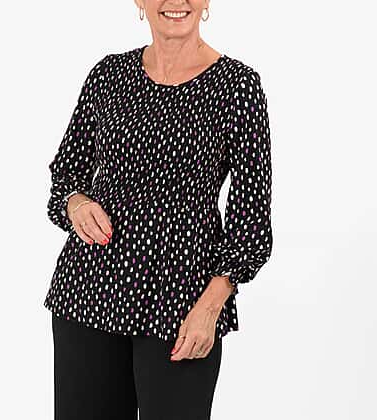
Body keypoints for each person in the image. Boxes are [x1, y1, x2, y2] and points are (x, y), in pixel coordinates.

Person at [44, 1, 273, 419]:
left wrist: (210, 308)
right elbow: (66, 175)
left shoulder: (237, 86)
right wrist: (77, 203)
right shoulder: (108, 75)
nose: (176, 1)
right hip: (89, 291)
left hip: (182, 300)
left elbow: (251, 220)